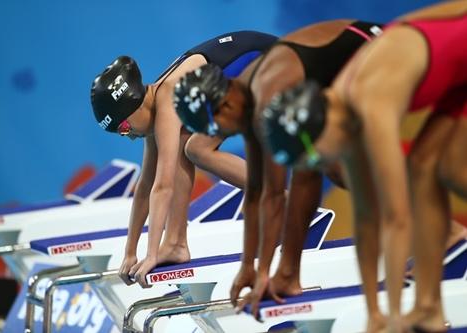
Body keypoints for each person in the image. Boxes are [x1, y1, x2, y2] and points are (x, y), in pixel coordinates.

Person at [261, 1, 467, 331]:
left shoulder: (371, 106)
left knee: (449, 174)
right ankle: (427, 308)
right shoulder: (343, 115)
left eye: (314, 158)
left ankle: (418, 307)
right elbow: (368, 222)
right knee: (423, 169)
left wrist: (394, 316)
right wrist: (375, 314)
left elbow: (396, 219)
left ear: (321, 128)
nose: (320, 166)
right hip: (450, 66)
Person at [173, 19, 384, 329]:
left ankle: (440, 237)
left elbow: (275, 196)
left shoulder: (264, 100)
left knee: (338, 166)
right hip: (347, 68)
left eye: (214, 127)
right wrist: (249, 267)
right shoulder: (246, 98)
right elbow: (259, 193)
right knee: (316, 164)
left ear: (226, 104)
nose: (215, 135)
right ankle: (288, 275)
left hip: (378, 51)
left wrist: (264, 272)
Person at [90, 31, 277, 287]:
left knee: (197, 149)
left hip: (274, 64)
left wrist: (151, 254)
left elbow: (163, 185)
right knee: (183, 142)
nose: (128, 136)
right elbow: (145, 186)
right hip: (253, 72)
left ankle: (278, 197)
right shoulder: (153, 102)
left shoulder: (168, 97)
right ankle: (176, 243)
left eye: (123, 128)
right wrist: (130, 251)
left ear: (134, 106)